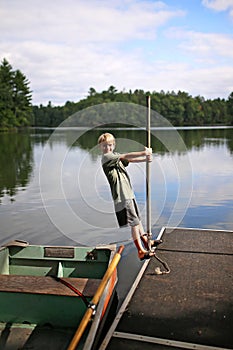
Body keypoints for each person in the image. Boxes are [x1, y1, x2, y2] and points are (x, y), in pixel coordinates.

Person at [98, 132, 162, 261]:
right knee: (134, 223)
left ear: (114, 145)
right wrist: (144, 152)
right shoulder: (106, 158)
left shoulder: (115, 156)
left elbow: (129, 159)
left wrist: (145, 159)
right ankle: (140, 251)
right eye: (104, 146)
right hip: (122, 196)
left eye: (110, 145)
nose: (107, 148)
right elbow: (126, 155)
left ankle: (146, 241)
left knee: (137, 219)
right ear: (100, 147)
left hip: (128, 193)